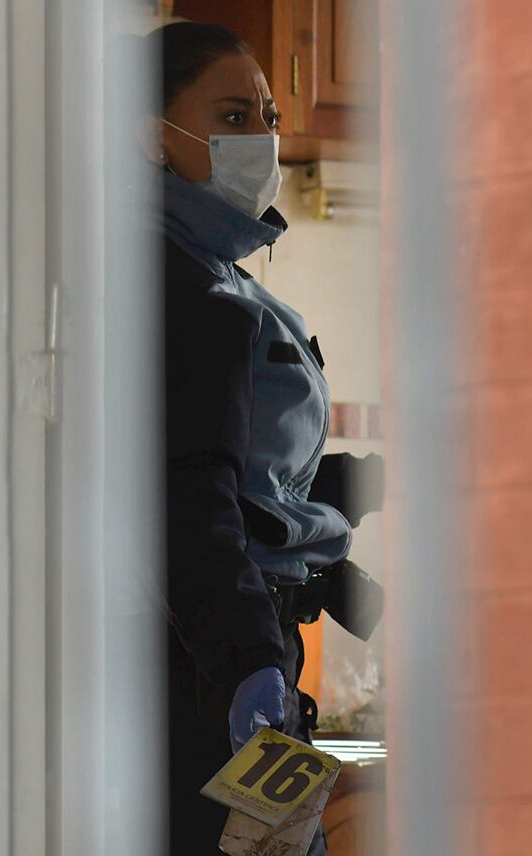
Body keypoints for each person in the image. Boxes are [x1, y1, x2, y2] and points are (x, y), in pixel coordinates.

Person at [139, 21, 385, 856]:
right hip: (204, 668)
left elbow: (260, 487)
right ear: (151, 136)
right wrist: (249, 662)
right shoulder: (175, 287)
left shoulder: (222, 276)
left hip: (246, 652)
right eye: (233, 116)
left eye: (269, 116)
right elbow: (189, 501)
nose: (263, 139)